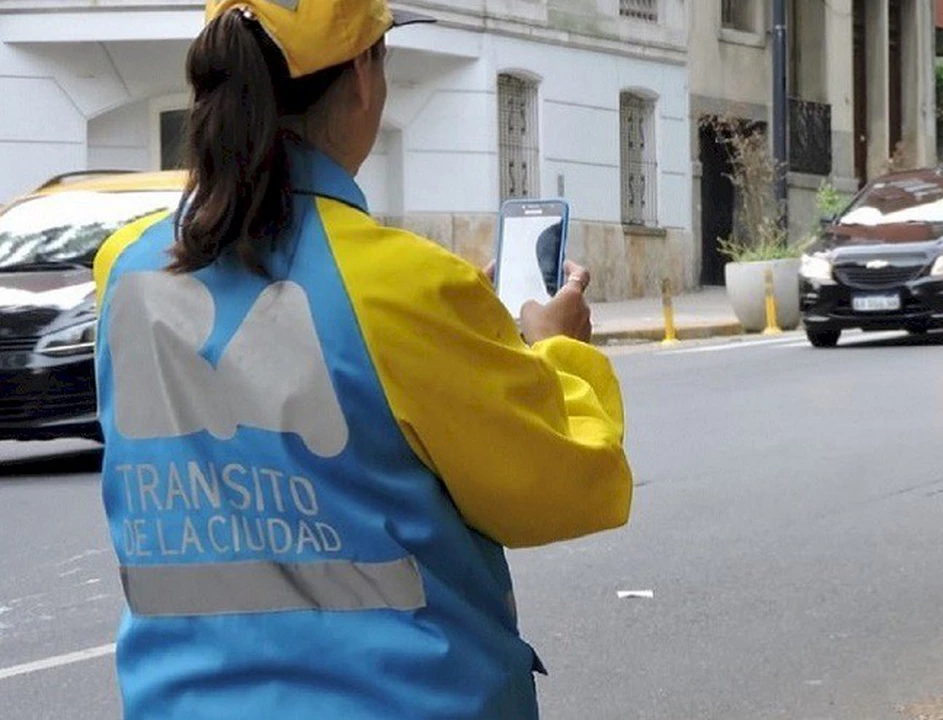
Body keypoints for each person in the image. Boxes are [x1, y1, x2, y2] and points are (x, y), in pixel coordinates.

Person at [91, 1, 633, 718]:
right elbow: (567, 485)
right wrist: (559, 350)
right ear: (360, 77)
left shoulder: (123, 271)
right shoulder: (405, 285)